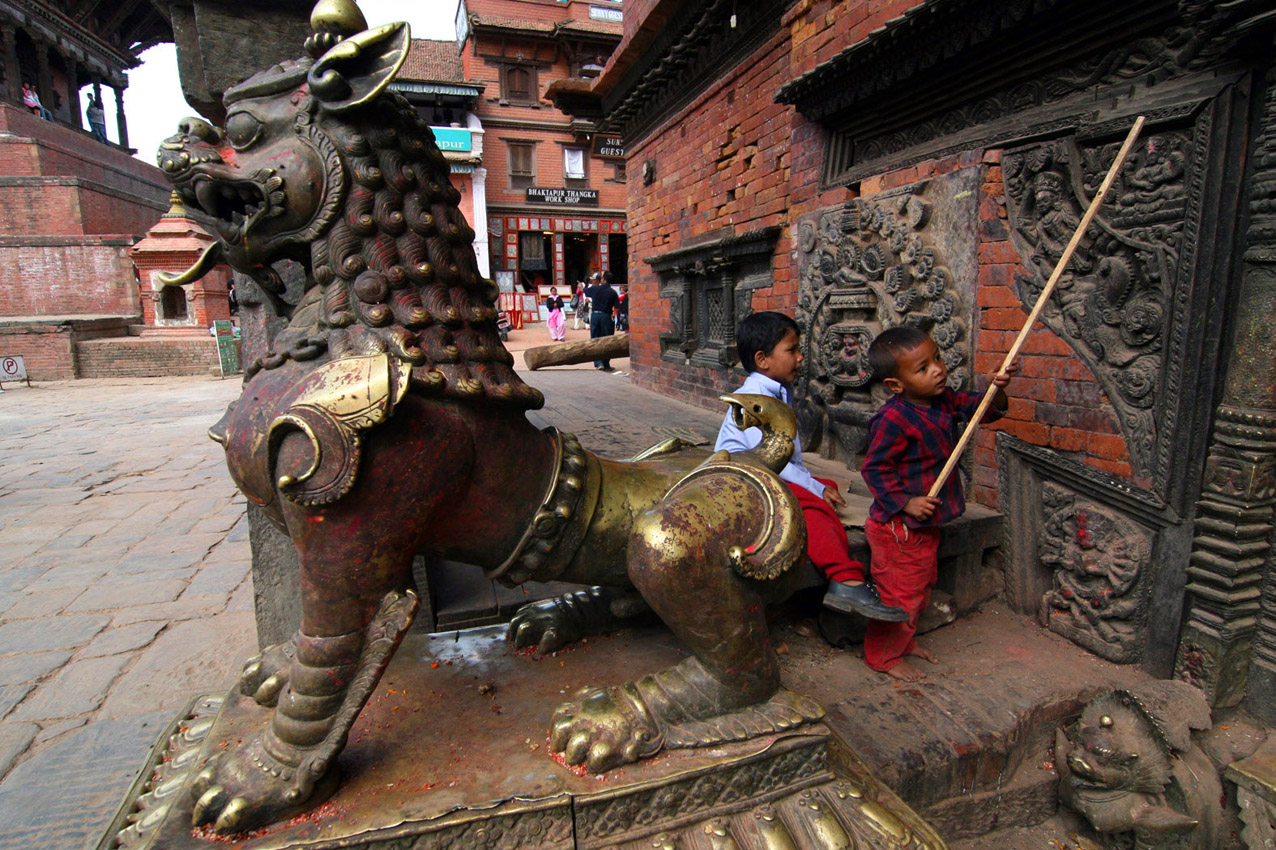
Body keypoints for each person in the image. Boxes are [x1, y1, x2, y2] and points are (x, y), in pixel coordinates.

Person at [715, 311, 907, 623]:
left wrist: (815, 482)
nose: (800, 358)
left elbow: (785, 460)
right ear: (762, 359)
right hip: (746, 477)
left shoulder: (773, 390)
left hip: (765, 471)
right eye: (791, 350)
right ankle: (846, 580)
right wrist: (812, 489)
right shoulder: (754, 398)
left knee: (824, 487)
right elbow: (767, 457)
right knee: (811, 506)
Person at [860, 327, 1017, 682]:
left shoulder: (943, 399)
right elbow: (874, 467)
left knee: (921, 586)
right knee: (900, 595)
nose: (937, 369)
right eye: (922, 368)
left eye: (937, 358)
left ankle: (904, 641)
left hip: (924, 528)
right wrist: (906, 502)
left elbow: (985, 411)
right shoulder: (892, 419)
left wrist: (998, 390)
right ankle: (882, 657)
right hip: (898, 530)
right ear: (895, 385)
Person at [584, 271, 619, 371]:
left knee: (595, 338)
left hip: (595, 316)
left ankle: (598, 363)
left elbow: (585, 290)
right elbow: (617, 307)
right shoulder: (613, 292)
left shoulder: (595, 289)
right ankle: (606, 362)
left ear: (603, 280)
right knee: (607, 339)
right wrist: (618, 321)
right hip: (606, 316)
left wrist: (591, 283)